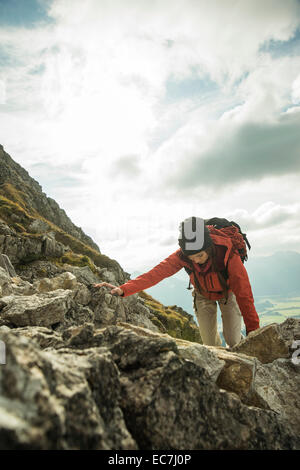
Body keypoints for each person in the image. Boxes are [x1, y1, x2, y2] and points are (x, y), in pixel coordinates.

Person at [93, 216, 260, 347]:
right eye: (191, 257)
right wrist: (124, 289)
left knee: (234, 340)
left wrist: (254, 332)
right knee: (210, 345)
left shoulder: (227, 253)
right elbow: (155, 274)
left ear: (208, 247)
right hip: (202, 295)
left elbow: (244, 293)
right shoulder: (181, 255)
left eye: (200, 255)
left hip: (227, 294)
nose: (196, 261)